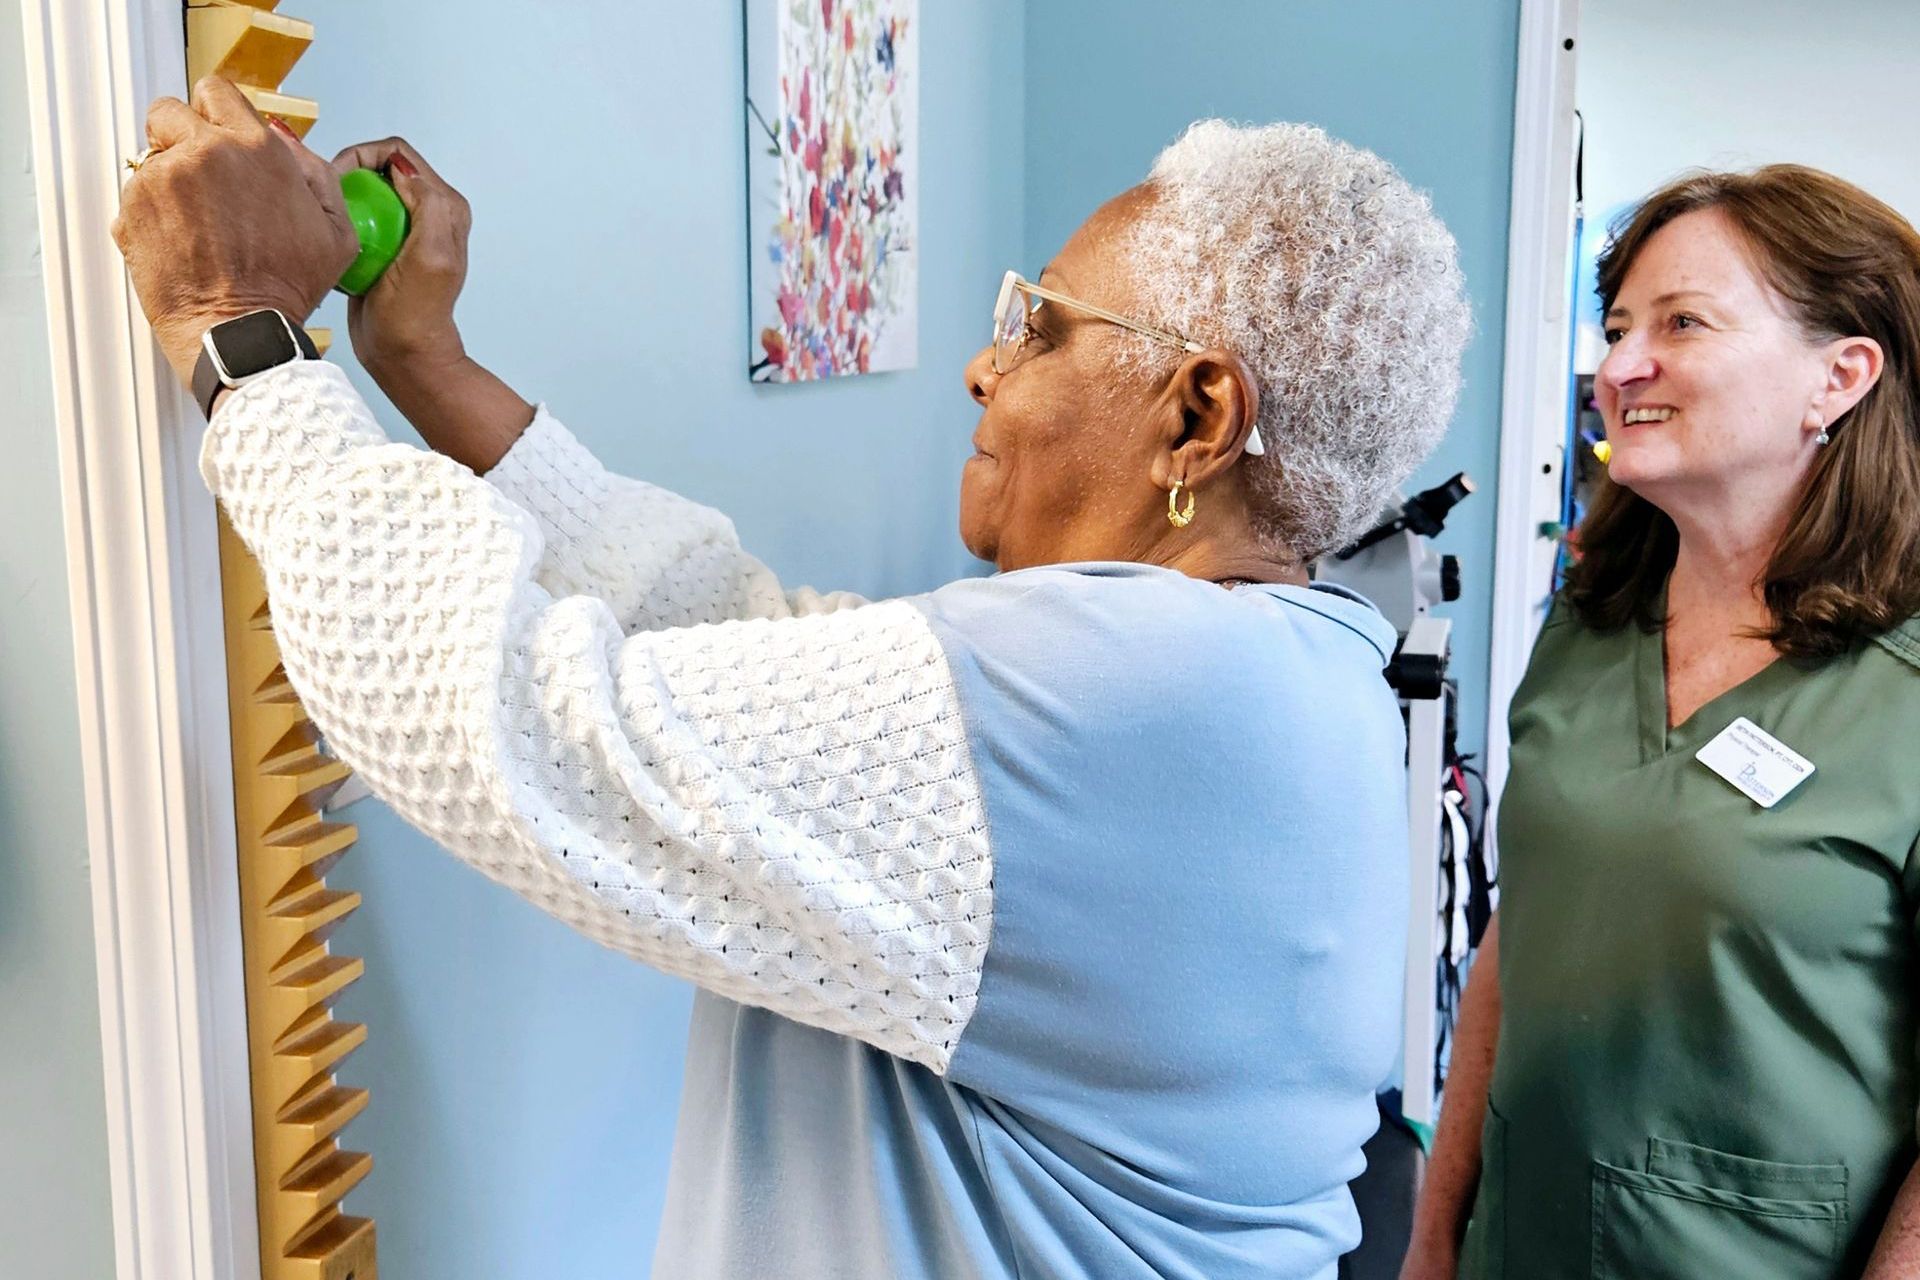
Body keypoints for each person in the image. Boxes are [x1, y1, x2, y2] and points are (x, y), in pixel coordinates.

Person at [114, 78, 1470, 1279]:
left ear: (1195, 417)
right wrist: (426, 363)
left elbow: (518, 733)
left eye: (1039, 327)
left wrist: (237, 332)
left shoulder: (1144, 692)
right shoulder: (1280, 659)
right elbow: (737, 641)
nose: (983, 365)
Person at [1404, 165, 1920, 1279]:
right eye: (1619, 324)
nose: (1619, 365)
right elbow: (1518, 937)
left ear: (1840, 375)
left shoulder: (1905, 694)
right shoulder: (1588, 628)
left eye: (1681, 322)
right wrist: (1435, 1230)